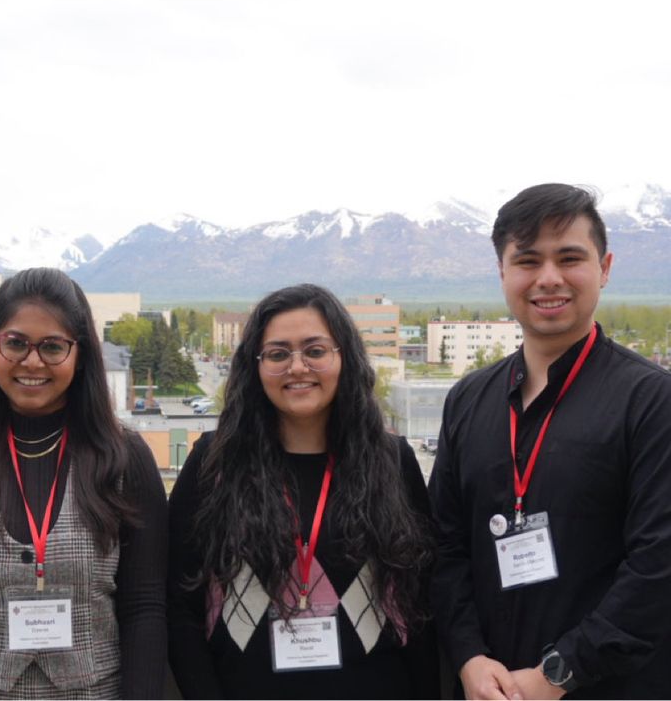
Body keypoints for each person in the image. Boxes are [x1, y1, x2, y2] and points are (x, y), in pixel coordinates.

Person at [429, 183, 671, 699]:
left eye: (569, 258)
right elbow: (444, 547)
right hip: (486, 689)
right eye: (528, 261)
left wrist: (558, 674)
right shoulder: (469, 399)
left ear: (604, 268)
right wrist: (468, 657)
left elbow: (659, 566)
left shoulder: (651, 402)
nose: (548, 279)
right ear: (502, 273)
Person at [0, 267, 168, 699]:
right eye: (15, 343)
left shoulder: (125, 460)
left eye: (52, 347)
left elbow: (145, 608)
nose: (32, 362)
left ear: (80, 354)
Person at [168, 283, 437, 699]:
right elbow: (180, 605)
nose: (297, 367)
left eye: (315, 351)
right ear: (254, 367)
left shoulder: (391, 459)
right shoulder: (214, 462)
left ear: (343, 357)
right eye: (278, 354)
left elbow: (419, 603)